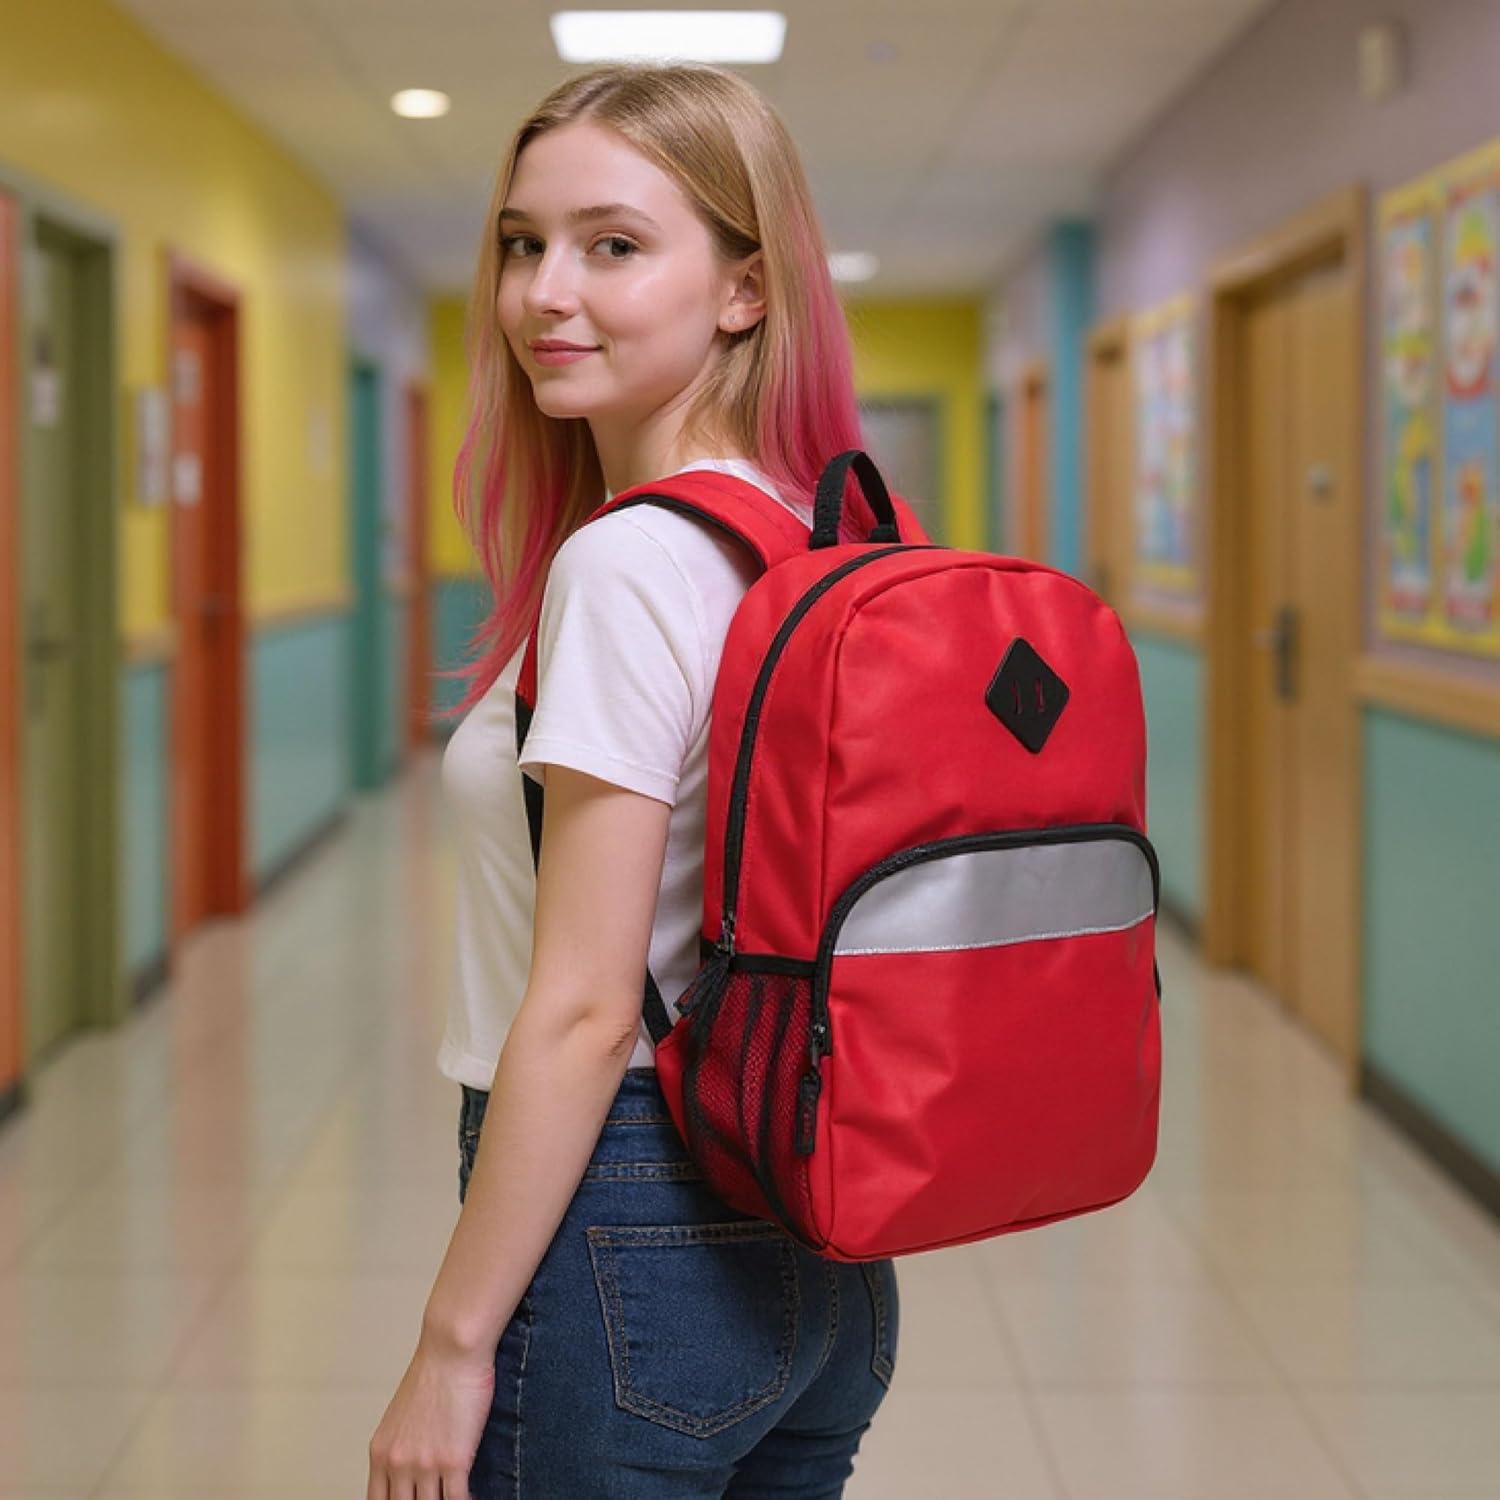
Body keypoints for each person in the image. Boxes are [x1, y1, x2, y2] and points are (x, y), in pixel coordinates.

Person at [368, 61, 899, 1500]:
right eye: (522, 243)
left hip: (627, 1229)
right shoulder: (810, 539)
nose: (547, 291)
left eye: (613, 245)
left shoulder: (625, 565)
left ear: (743, 289)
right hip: (819, 1249)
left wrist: (451, 1340)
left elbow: (593, 1005)